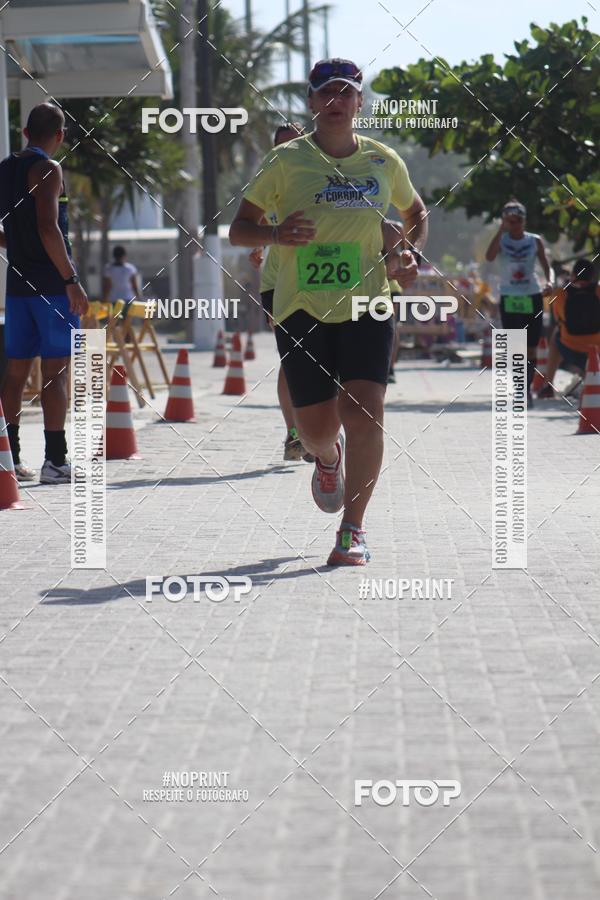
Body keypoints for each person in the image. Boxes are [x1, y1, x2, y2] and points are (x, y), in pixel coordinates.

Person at [230, 58, 427, 565]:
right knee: (316, 430)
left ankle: (352, 530)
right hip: (301, 306)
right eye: (325, 93)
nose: (335, 102)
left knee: (365, 411)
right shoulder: (285, 160)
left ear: (360, 101)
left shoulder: (383, 160)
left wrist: (408, 256)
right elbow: (239, 229)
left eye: (345, 93)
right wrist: (276, 234)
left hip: (368, 302)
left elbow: (415, 212)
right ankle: (327, 456)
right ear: (312, 102)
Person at [0, 102, 88, 483]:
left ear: (24, 133)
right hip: (52, 288)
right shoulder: (48, 169)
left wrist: (18, 246)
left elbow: (22, 231)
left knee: (15, 374)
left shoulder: (5, 169)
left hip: (18, 287)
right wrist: (71, 280)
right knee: (55, 375)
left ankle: (8, 459)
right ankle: (55, 461)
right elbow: (48, 227)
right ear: (60, 135)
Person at [249, 122, 313, 462]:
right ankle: (295, 434)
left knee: (327, 360)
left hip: (319, 281)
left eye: (296, 144)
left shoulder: (321, 176)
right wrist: (258, 244)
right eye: (282, 146)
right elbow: (254, 220)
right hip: (278, 284)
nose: (289, 151)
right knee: (292, 361)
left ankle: (319, 429)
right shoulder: (267, 181)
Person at [485, 199, 553, 405]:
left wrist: (549, 282)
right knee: (516, 345)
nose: (514, 225)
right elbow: (489, 257)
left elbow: (547, 266)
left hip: (532, 295)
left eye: (518, 221)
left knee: (531, 346)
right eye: (510, 221)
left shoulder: (535, 240)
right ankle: (519, 388)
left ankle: (527, 389)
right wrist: (500, 230)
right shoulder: (502, 240)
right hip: (509, 296)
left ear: (524, 221)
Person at [538, 259, 600, 399]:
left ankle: (548, 386)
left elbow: (558, 320)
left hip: (571, 347)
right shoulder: (598, 291)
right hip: (597, 350)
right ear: (592, 276)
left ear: (573, 275)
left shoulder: (560, 293)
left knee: (556, 334)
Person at [102, 245, 142, 312]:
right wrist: (138, 297)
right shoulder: (130, 268)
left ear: (114, 256)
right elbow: (134, 285)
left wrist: (104, 299)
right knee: (127, 318)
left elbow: (107, 286)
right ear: (124, 255)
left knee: (116, 318)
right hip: (128, 298)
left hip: (114, 299)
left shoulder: (109, 269)